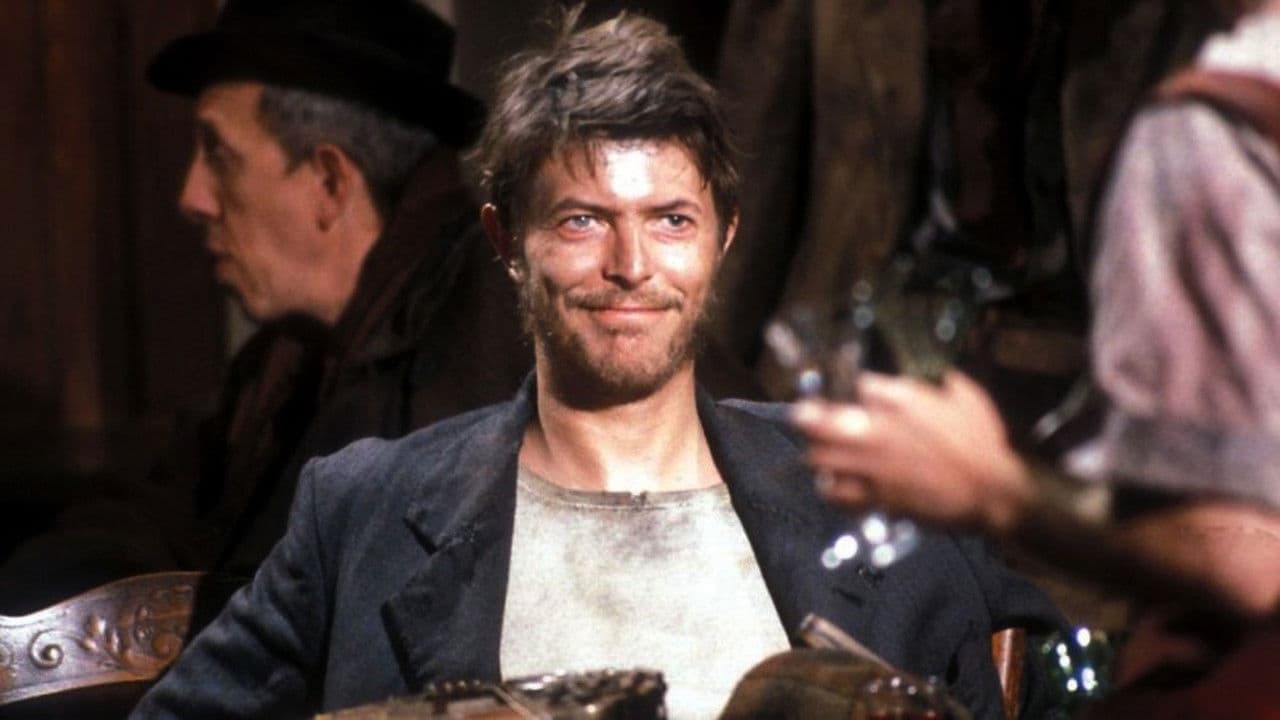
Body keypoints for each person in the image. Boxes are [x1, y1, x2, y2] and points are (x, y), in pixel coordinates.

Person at [131, 10, 1062, 720]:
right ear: (508, 240)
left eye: (671, 221)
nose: (631, 266)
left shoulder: (870, 498)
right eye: (582, 221)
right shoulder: (363, 509)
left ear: (722, 237)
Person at [791, 0, 1280, 703]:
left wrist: (997, 488)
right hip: (902, 386)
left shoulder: (1216, 124)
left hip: (1092, 483)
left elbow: (1248, 558)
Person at [0, 0, 531, 616]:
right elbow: (149, 518)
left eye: (218, 154)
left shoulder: (487, 317)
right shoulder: (284, 362)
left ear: (329, 182)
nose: (193, 197)